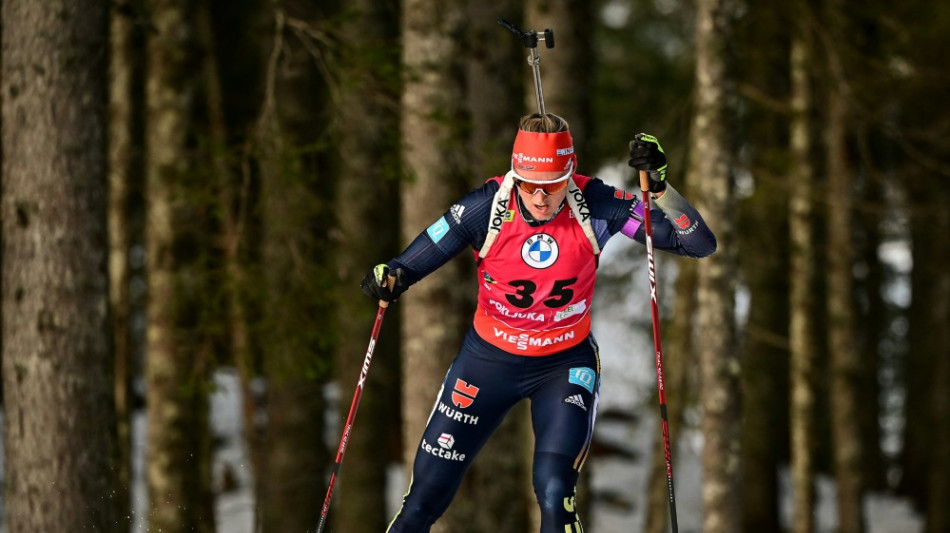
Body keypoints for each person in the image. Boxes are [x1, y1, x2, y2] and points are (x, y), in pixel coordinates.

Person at [361, 112, 716, 532]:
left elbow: (696, 243)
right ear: (515, 174)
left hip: (564, 366)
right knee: (423, 498)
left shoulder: (595, 204)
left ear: (569, 175)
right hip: (487, 363)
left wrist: (659, 189)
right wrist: (392, 276)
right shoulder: (485, 207)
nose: (541, 198)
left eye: (552, 185)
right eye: (529, 185)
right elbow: (417, 258)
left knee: (553, 492)